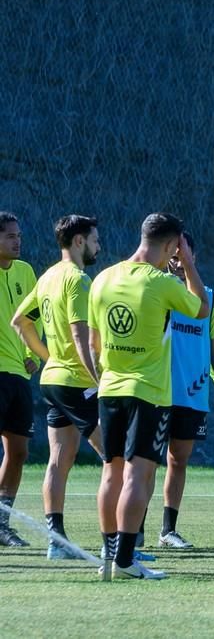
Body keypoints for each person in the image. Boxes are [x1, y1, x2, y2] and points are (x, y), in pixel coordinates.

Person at [88, 212, 208, 579]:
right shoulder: (162, 283)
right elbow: (201, 308)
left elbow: (94, 345)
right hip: (149, 393)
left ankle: (109, 558)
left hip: (110, 390)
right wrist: (187, 266)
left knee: (111, 474)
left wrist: (107, 376)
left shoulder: (104, 279)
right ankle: (126, 559)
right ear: (173, 245)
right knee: (138, 477)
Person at [11, 215, 103, 559]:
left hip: (52, 381)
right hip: (77, 383)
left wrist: (49, 357)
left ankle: (57, 541)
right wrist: (99, 379)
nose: (98, 246)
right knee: (117, 460)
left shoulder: (48, 276)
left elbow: (20, 322)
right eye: (94, 239)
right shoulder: (78, 280)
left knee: (58, 460)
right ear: (78, 241)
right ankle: (122, 543)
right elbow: (81, 336)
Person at [158, 232, 214, 548]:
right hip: (157, 391)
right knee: (144, 461)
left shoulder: (210, 298)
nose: (177, 261)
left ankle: (167, 530)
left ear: (193, 257)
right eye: (172, 255)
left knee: (179, 460)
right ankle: (133, 530)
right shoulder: (156, 291)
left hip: (193, 393)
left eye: (183, 254)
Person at [0, 212, 40, 547]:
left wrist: (35, 352)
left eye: (19, 235)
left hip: (18, 373)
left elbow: (33, 315)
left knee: (19, 451)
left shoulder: (26, 272)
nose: (17, 241)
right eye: (10, 236)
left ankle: (1, 523)